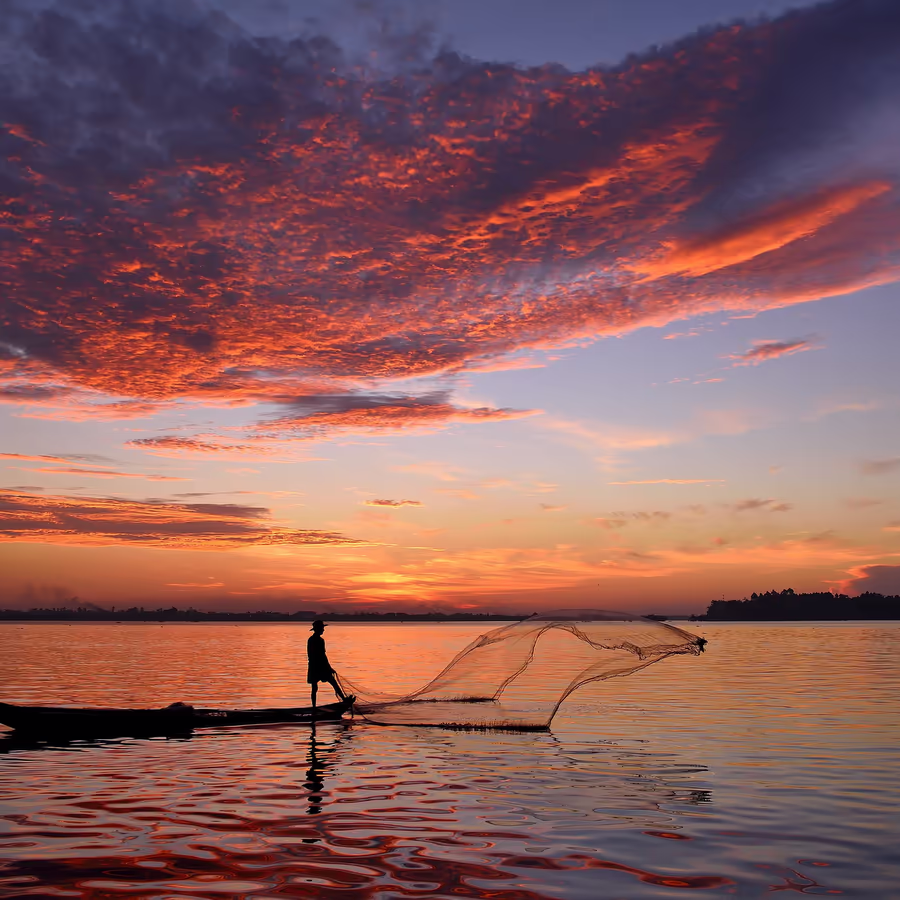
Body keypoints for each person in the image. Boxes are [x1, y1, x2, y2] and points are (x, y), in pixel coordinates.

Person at [307, 620, 347, 709]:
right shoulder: (319, 640)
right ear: (318, 629)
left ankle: (313, 707)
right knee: (334, 683)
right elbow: (322, 655)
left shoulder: (311, 640)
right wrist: (329, 668)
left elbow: (313, 655)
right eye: (322, 628)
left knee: (314, 688)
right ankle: (344, 700)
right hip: (320, 666)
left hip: (313, 666)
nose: (323, 630)